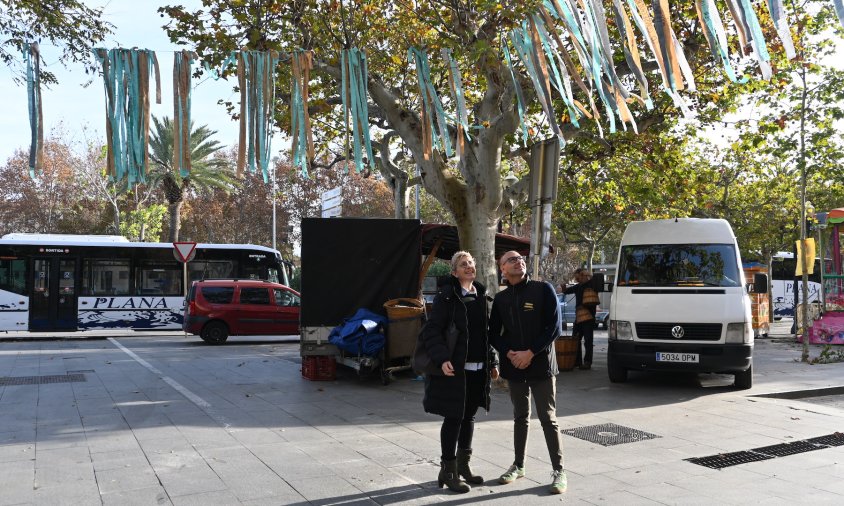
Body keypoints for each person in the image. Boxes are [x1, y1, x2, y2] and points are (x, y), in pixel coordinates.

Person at [420, 251, 499, 493]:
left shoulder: (482, 295)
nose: (469, 267)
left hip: (478, 369)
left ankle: (463, 466)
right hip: (456, 370)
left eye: (471, 264)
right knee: (454, 417)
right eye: (463, 265)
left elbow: (488, 334)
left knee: (469, 417)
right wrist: (442, 358)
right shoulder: (447, 297)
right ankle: (449, 469)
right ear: (454, 272)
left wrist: (493, 361)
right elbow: (431, 331)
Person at [488, 251, 566, 495]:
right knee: (520, 417)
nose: (518, 261)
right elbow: (493, 334)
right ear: (502, 269)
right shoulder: (500, 299)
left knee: (547, 418)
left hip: (541, 365)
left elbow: (554, 327)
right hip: (514, 367)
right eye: (511, 260)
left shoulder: (543, 289)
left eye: (520, 258)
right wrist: (509, 353)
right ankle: (518, 465)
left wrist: (530, 352)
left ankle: (559, 470)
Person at [563, 267, 597, 370]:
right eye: (577, 278)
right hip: (578, 318)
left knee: (588, 341)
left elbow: (594, 280)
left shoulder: (592, 285)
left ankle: (587, 362)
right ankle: (577, 361)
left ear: (584, 276)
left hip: (589, 318)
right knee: (575, 339)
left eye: (579, 277)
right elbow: (566, 291)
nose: (577, 280)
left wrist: (587, 274)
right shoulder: (577, 287)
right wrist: (564, 287)